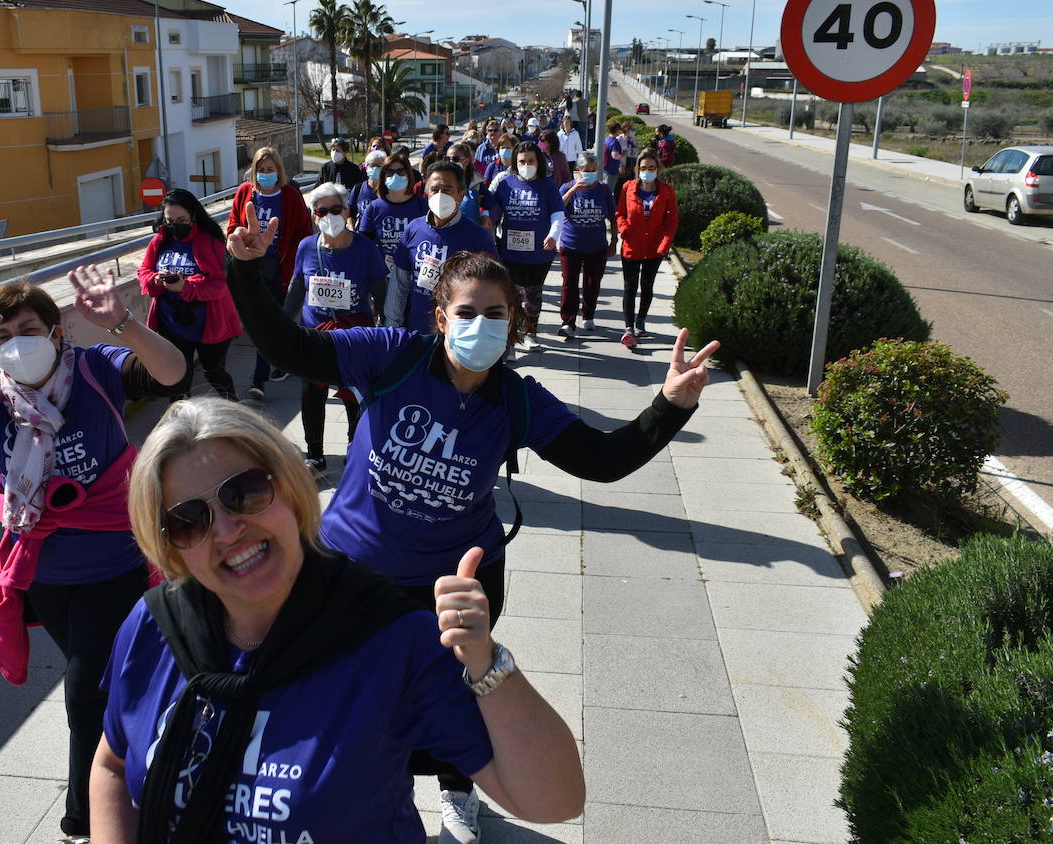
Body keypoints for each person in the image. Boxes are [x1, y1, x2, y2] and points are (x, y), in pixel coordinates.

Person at [221, 237, 718, 844]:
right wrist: (245, 268)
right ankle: (364, 789)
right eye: (466, 312)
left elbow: (602, 460)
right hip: (350, 571)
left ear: (514, 321)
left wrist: (669, 405)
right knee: (351, 695)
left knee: (459, 691)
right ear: (440, 316)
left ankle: (459, 793)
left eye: (495, 314)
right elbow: (289, 347)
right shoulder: (391, 356)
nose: (480, 325)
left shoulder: (516, 400)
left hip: (455, 581)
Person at [89, 398, 585, 844]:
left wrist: (487, 663)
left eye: (245, 491)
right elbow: (113, 762)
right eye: (188, 520)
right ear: (169, 547)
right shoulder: (154, 627)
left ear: (289, 485)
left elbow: (555, 800)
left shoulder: (387, 639)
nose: (226, 530)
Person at [0, 270, 187, 843]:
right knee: (102, 678)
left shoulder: (97, 367)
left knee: (84, 692)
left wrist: (122, 322)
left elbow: (173, 374)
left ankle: (85, 817)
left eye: (28, 330)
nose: (14, 344)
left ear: (56, 334)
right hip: (42, 573)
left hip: (115, 562)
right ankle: (146, 747)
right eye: (2, 338)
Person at [285, 182, 388, 472]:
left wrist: (387, 331)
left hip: (355, 337)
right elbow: (295, 292)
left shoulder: (366, 249)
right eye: (322, 211)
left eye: (336, 209)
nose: (330, 215)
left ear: (346, 211)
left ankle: (354, 450)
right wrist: (281, 330)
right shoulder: (306, 247)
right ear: (314, 216)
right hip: (314, 335)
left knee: (354, 397)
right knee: (312, 395)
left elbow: (381, 293)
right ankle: (315, 454)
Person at [136, 189, 242, 402]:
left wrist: (185, 287)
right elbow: (144, 271)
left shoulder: (211, 241)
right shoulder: (160, 240)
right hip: (171, 322)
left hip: (209, 323)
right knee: (176, 378)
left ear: (194, 216)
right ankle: (179, 424)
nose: (175, 225)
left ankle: (234, 408)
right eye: (169, 220)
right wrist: (156, 280)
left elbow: (220, 285)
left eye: (181, 220)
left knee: (214, 372)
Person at [225, 147, 314, 400]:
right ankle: (276, 364)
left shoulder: (289, 196)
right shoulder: (244, 193)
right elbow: (232, 224)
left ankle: (258, 380)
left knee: (269, 323)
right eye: (260, 170)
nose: (265, 174)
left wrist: (293, 264)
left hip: (277, 271)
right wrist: (239, 237)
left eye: (270, 170)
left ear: (278, 171)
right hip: (248, 268)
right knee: (257, 322)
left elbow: (303, 232)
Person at [386, 160, 497, 333]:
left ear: (461, 195)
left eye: (447, 190)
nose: (440, 195)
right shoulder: (413, 229)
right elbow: (399, 283)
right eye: (435, 190)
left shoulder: (478, 237)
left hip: (459, 333)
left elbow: (493, 287)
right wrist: (393, 326)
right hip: (417, 330)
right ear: (426, 193)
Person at [492, 140, 564, 353]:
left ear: (538, 161)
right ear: (515, 162)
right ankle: (509, 340)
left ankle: (530, 332)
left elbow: (558, 214)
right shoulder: (506, 183)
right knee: (510, 297)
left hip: (538, 254)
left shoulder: (547, 185)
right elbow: (494, 210)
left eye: (530, 160)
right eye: (522, 161)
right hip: (510, 252)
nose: (526, 164)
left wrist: (553, 236)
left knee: (533, 296)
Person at [614, 148, 679, 350]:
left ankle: (641, 320)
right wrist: (624, 230)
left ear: (658, 168)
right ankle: (628, 328)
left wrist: (665, 243)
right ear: (638, 169)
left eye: (651, 167)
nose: (647, 171)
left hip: (654, 249)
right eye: (643, 168)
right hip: (632, 246)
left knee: (647, 286)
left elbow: (672, 220)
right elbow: (620, 213)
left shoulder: (666, 191)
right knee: (629, 287)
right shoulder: (628, 187)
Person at [556, 152, 618, 337]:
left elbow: (613, 218)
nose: (589, 174)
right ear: (578, 171)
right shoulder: (567, 187)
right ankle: (568, 322)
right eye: (585, 171)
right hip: (570, 244)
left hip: (596, 246)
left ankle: (588, 316)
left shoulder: (603, 190)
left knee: (592, 283)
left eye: (593, 171)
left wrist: (614, 242)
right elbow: (557, 209)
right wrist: (573, 191)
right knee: (569, 284)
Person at [357, 150, 428, 271]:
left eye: (400, 172)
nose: (395, 176)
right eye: (389, 172)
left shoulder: (422, 205)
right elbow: (364, 244)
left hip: (414, 271)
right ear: (383, 177)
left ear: (408, 175)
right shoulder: (374, 208)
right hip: (382, 272)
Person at [447, 141, 496, 231]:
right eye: (447, 159)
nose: (450, 162)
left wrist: (484, 215)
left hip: (470, 232)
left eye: (455, 159)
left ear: (466, 160)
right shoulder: (440, 183)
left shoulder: (477, 183)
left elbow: (492, 204)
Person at [349, 148, 387, 228]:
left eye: (379, 165)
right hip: (362, 233)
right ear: (366, 167)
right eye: (372, 165)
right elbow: (350, 214)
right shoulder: (358, 189)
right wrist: (351, 229)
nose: (376, 168)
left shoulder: (390, 189)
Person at [602, 118, 625, 194]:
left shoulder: (606, 139)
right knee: (609, 191)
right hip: (612, 170)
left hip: (604, 169)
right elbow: (614, 155)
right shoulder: (614, 141)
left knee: (604, 190)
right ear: (617, 130)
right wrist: (622, 155)